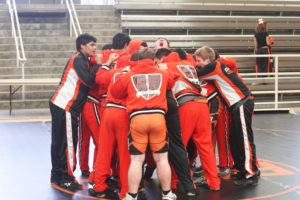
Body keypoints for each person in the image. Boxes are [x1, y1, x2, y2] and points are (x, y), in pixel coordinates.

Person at [110, 48, 177, 200]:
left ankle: (131, 195)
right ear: (153, 59)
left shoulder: (129, 74)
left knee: (136, 160)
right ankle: (167, 194)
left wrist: (123, 73)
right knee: (162, 159)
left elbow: (115, 93)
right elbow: (172, 83)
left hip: (137, 118)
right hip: (158, 118)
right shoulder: (162, 73)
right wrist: (163, 68)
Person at [155, 49, 221, 191]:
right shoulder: (190, 64)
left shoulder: (167, 65)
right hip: (203, 105)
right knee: (206, 147)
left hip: (186, 106)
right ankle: (214, 183)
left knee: (178, 146)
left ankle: (173, 181)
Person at [195, 46, 260, 186]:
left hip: (242, 102)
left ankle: (251, 174)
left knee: (244, 141)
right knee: (235, 140)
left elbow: (195, 73)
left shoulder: (213, 66)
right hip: (238, 104)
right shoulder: (217, 66)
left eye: (199, 60)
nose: (197, 63)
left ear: (207, 60)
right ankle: (243, 170)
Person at [49, 33, 100, 190]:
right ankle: (67, 178)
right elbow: (90, 81)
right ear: (82, 46)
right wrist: (99, 65)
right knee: (68, 143)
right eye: (91, 45)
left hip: (60, 103)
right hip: (66, 105)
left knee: (59, 142)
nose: (95, 48)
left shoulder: (79, 59)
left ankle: (57, 174)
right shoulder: (78, 59)